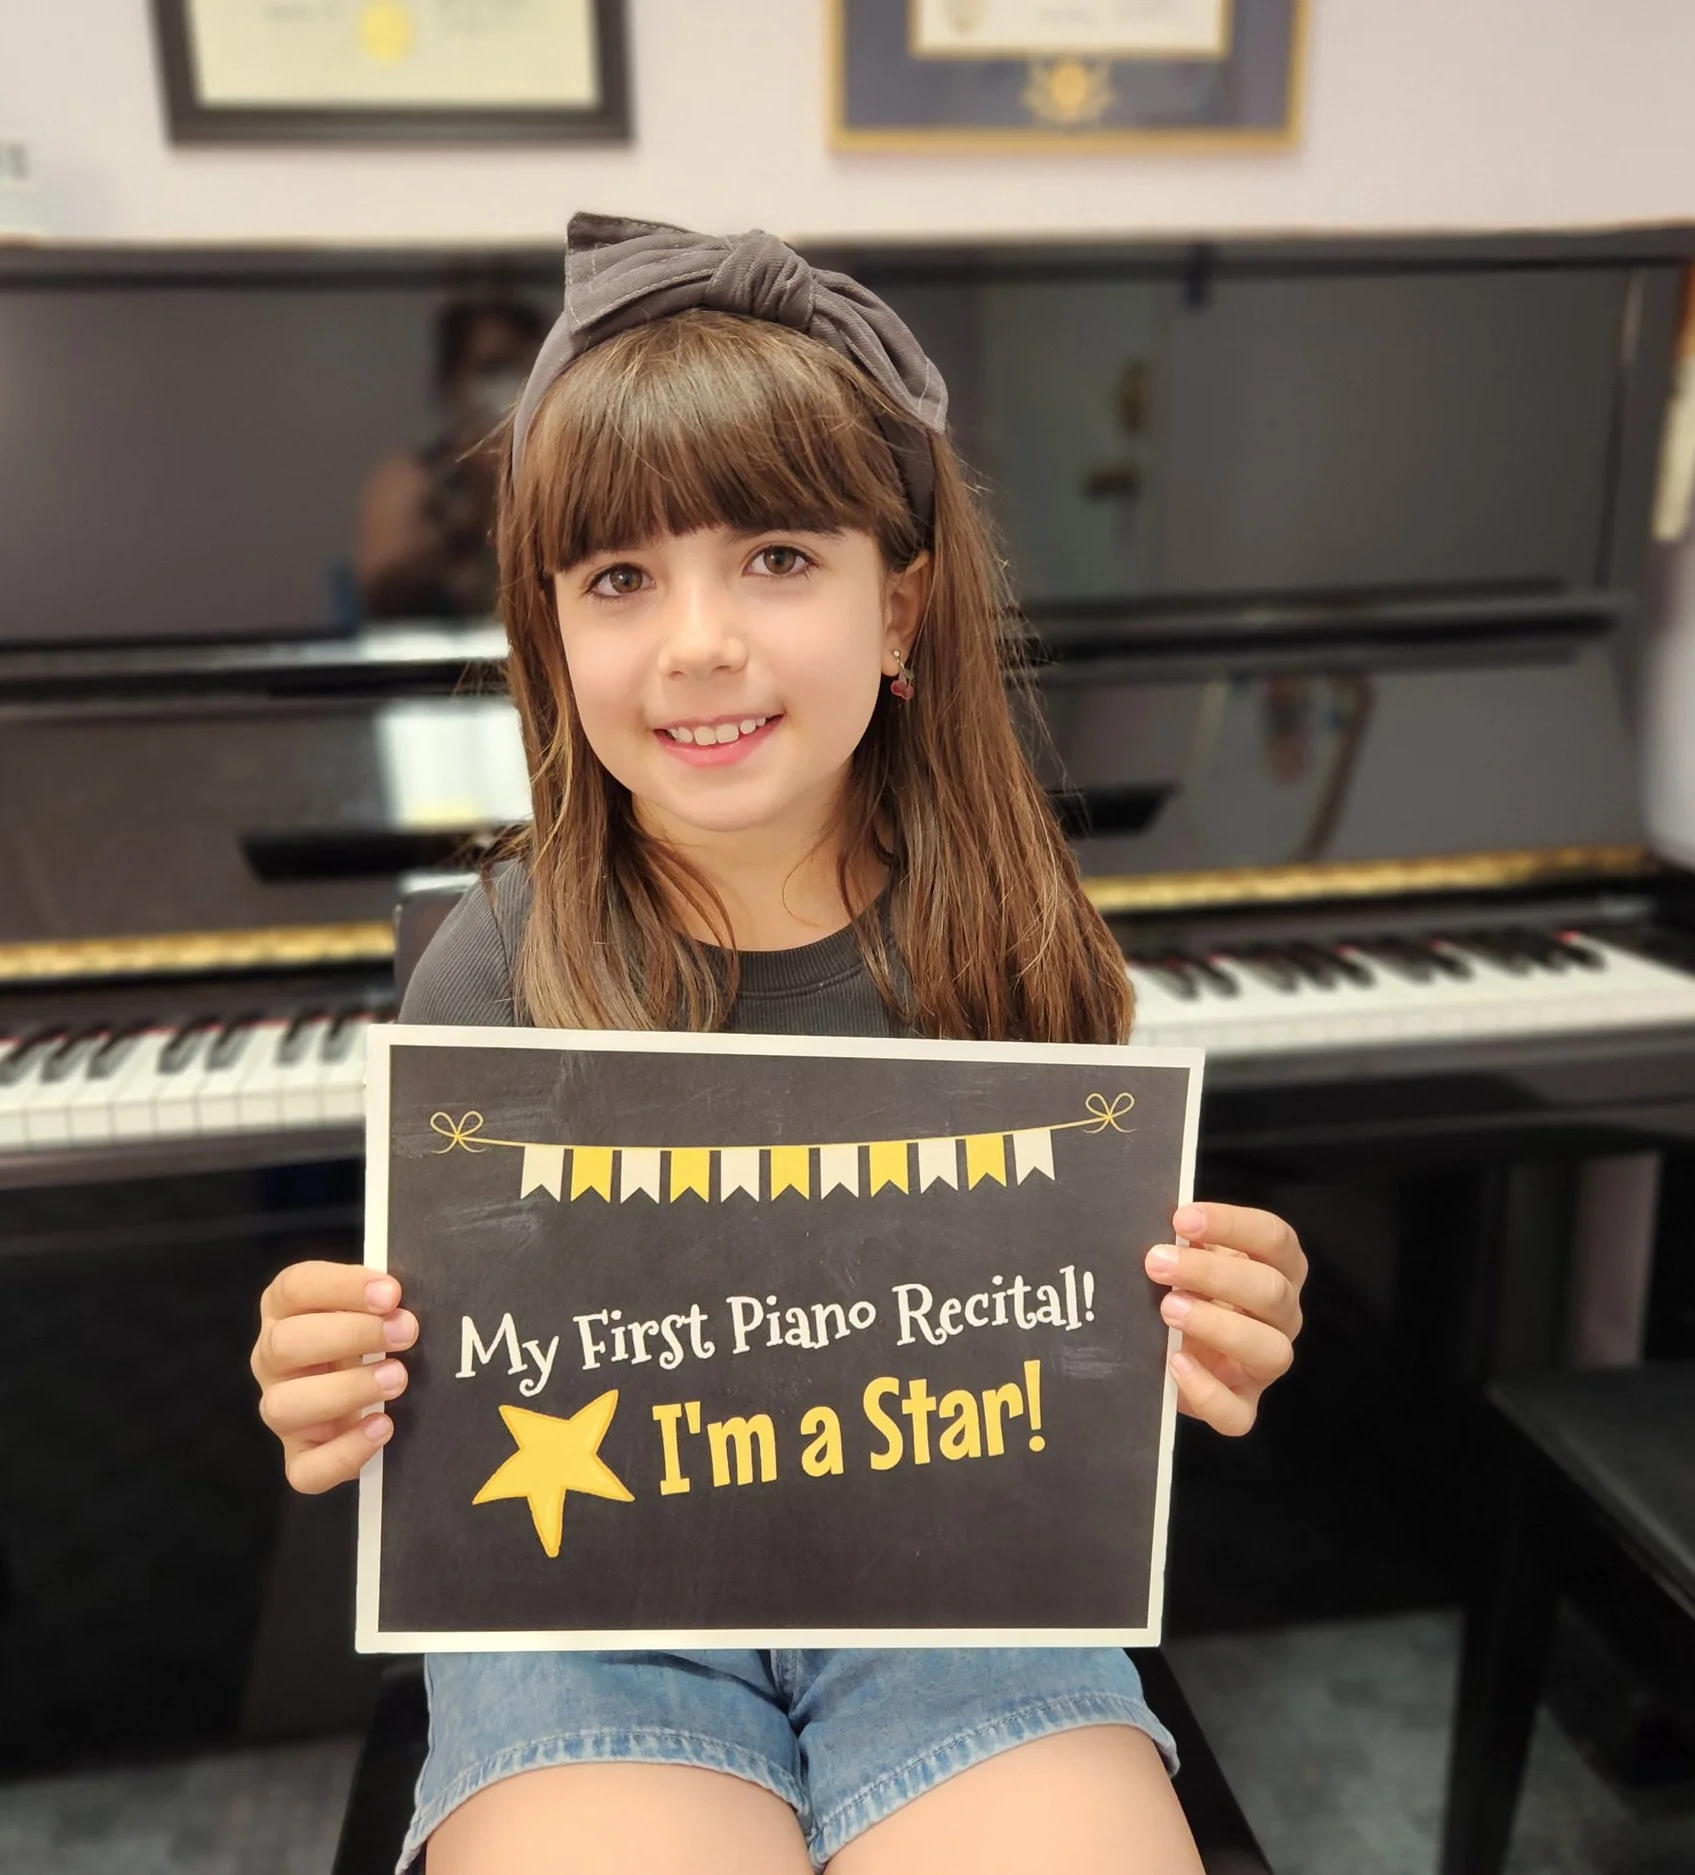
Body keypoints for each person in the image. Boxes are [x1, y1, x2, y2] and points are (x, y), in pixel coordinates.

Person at [254, 214, 1309, 1875]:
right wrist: (346, 1372)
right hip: (588, 1593)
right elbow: (436, 1364)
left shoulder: (1018, 941)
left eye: (776, 559)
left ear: (901, 614)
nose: (697, 644)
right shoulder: (500, 957)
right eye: (620, 580)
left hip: (952, 1581)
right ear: (555, 643)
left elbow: (1068, 1351)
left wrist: (1212, 1324)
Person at [356, 296, 547, 620]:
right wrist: (459, 530)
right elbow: (381, 600)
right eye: (493, 368)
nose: (513, 382)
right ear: (452, 381)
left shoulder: (562, 472)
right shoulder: (410, 479)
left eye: (526, 365)